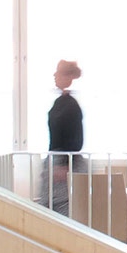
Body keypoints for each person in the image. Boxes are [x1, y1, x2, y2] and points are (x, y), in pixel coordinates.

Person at [45, 59, 85, 213]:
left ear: (67, 77)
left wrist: (64, 164)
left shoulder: (71, 105)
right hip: (57, 159)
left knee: (62, 207)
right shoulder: (60, 102)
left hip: (65, 162)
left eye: (58, 72)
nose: (54, 75)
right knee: (51, 206)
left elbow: (75, 138)